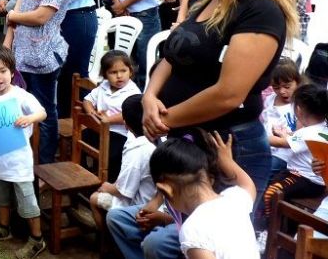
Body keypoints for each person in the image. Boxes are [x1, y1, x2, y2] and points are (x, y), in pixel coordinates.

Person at [142, 0, 300, 204]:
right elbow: (172, 55)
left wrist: (163, 120)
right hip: (190, 137)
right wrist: (149, 97)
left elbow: (229, 94)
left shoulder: (259, 10)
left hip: (229, 146)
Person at [3, 0, 74, 164]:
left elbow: (42, 16)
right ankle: (22, 159)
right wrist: (8, 40)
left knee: (43, 111)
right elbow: (21, 1)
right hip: (21, 50)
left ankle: (44, 165)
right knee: (20, 108)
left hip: (44, 53)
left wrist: (13, 15)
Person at [0, 45, 47, 259]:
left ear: (12, 72)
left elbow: (42, 112)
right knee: (1, 197)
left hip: (18, 162)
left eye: (3, 71)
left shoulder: (21, 96)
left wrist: (29, 118)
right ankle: (3, 227)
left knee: (28, 203)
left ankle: (37, 239)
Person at [150, 130, 258, 259]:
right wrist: (227, 161)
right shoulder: (234, 198)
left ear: (166, 190)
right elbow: (248, 185)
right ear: (209, 176)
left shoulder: (192, 229)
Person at [88, 96, 155, 233]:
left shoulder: (138, 151)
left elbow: (125, 191)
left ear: (125, 124)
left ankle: (110, 242)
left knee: (95, 198)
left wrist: (107, 187)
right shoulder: (156, 139)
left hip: (140, 204)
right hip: (153, 197)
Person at [262, 84, 328, 221]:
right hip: (312, 180)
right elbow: (294, 139)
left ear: (298, 109)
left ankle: (268, 226)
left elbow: (283, 143)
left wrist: (258, 136)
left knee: (271, 193)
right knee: (275, 185)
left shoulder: (308, 132)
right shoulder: (321, 128)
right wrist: (285, 134)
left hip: (304, 179)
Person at [83, 50, 142, 181]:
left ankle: (110, 181)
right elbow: (87, 100)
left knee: (112, 156)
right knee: (82, 138)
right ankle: (85, 173)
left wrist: (107, 120)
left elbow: (127, 114)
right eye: (113, 72)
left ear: (130, 71)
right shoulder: (103, 87)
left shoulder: (132, 91)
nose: (119, 76)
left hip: (119, 134)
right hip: (99, 128)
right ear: (105, 75)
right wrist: (91, 113)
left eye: (123, 71)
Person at [261, 58, 301, 180]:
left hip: (284, 155)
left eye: (287, 86)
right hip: (265, 148)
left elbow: (299, 137)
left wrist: (263, 139)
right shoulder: (270, 99)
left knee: (264, 172)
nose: (282, 91)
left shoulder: (300, 105)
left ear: (297, 82)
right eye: (276, 87)